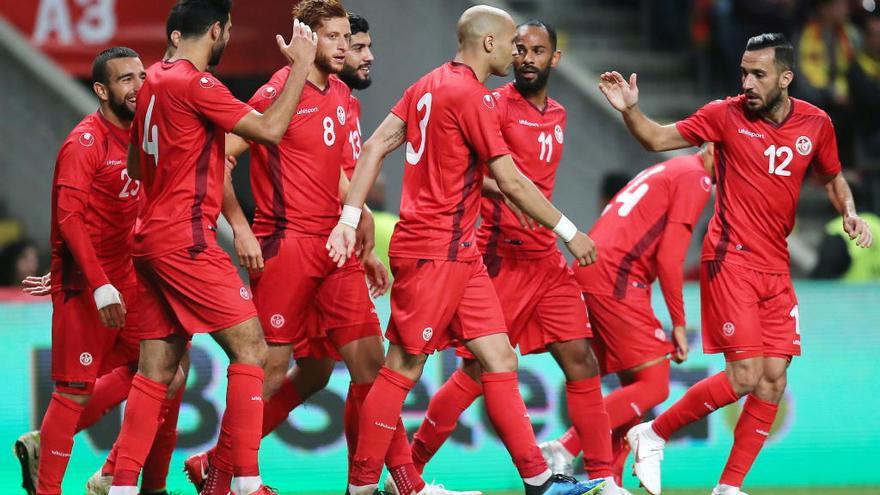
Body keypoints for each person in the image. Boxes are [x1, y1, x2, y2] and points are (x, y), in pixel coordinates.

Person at [326, 5, 604, 495]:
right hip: (435, 248)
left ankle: (539, 481)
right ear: (489, 43)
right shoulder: (472, 96)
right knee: (403, 368)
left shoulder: (427, 84)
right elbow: (512, 181)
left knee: (499, 358)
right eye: (512, 45)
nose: (517, 54)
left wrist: (350, 218)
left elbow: (373, 147)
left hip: (462, 251)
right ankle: (362, 487)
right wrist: (569, 230)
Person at [597, 32, 873, 495]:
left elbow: (832, 177)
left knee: (773, 380)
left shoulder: (817, 123)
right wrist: (630, 109)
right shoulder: (723, 115)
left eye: (758, 74)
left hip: (775, 265)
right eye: (744, 71)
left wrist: (847, 210)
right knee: (744, 376)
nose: (747, 81)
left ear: (786, 78)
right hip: (731, 259)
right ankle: (652, 433)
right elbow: (655, 137)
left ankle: (728, 487)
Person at [402, 19, 623, 494]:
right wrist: (507, 194)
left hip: (545, 261)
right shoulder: (492, 105)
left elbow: (530, 184)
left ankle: (605, 479)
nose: (525, 58)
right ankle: (411, 470)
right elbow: (472, 171)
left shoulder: (559, 114)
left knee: (582, 362)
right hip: (500, 256)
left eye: (536, 50)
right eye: (518, 49)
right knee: (476, 373)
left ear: (554, 59)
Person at [107, 0, 318, 493]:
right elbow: (269, 130)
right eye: (227, 33)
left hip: (149, 238)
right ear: (219, 30)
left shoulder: (154, 79)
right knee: (253, 350)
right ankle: (244, 480)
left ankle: (119, 486)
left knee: (155, 369)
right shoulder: (197, 84)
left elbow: (138, 167)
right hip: (187, 239)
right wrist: (300, 68)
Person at [541, 146, 715, 487]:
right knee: (655, 383)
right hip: (617, 277)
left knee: (632, 393)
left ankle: (607, 481)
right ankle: (565, 446)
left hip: (598, 269)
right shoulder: (698, 177)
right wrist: (679, 323)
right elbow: (669, 258)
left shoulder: (669, 169)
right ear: (715, 146)